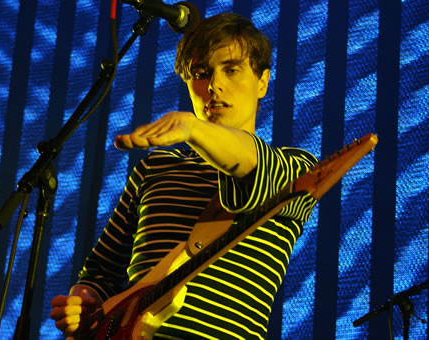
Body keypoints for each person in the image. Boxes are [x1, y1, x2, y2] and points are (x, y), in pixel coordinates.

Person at [50, 12, 318, 339]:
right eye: (201, 73)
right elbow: (100, 273)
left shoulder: (298, 168)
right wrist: (84, 303)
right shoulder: (154, 167)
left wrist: (193, 127)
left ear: (262, 81)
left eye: (231, 70)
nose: (215, 85)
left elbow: (249, 163)